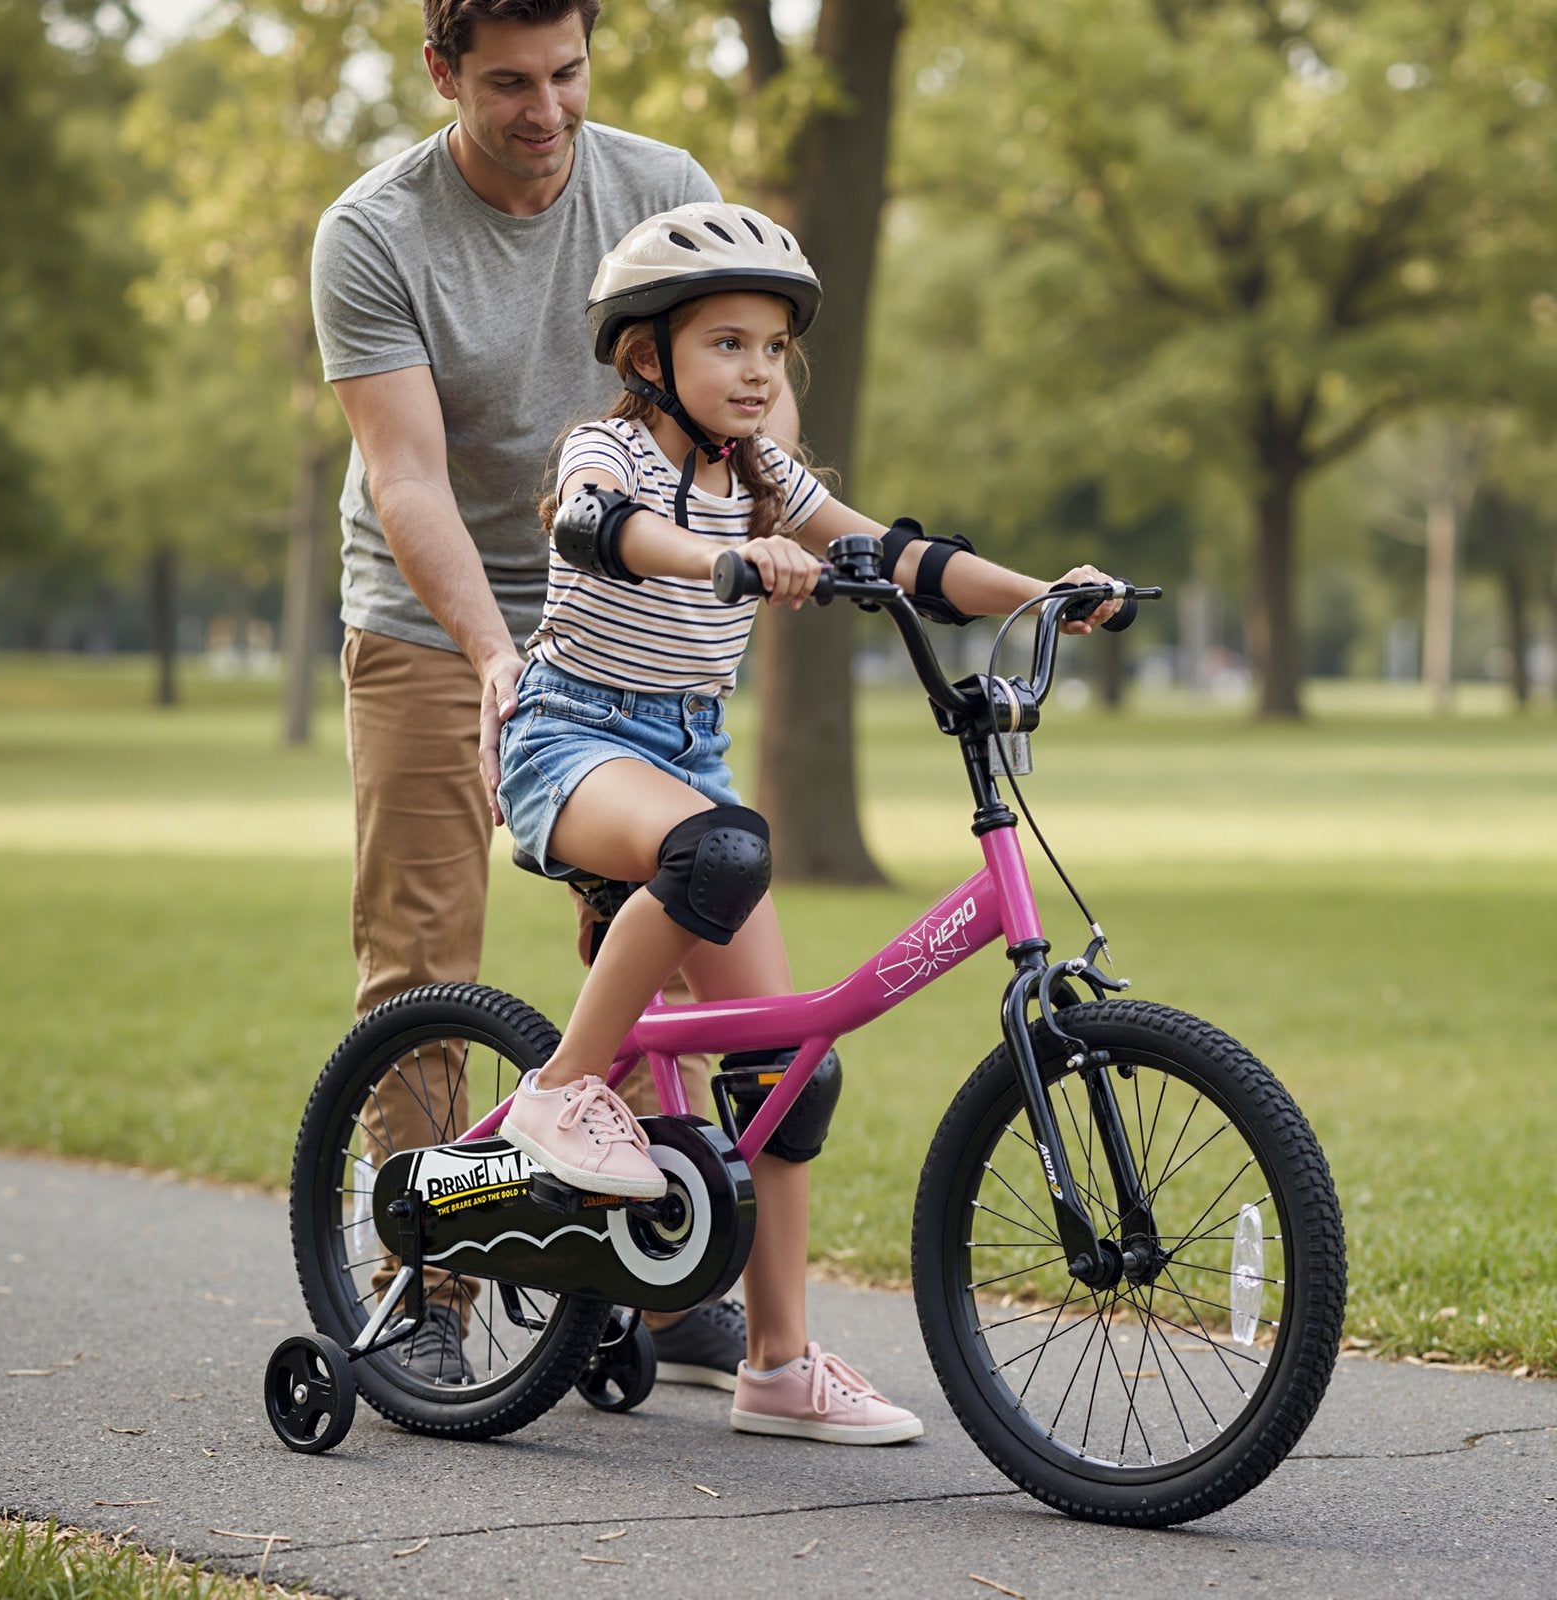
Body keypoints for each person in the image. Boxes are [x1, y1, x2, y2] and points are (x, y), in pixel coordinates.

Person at [495, 201, 1124, 1443]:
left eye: (773, 348)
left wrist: (1044, 591)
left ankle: (778, 1364)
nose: (756, 371)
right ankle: (558, 1093)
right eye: (726, 343)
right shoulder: (606, 450)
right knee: (719, 847)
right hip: (571, 739)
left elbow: (901, 558)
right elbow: (595, 527)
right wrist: (723, 562)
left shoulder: (763, 478)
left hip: (686, 747)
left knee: (787, 1068)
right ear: (647, 355)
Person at [310, 0, 761, 1389]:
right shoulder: (375, 232)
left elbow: (742, 398)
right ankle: (429, 1281)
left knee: (668, 920)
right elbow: (407, 477)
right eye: (509, 82)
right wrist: (494, 652)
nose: (547, 111)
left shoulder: (664, 189)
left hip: (627, 619)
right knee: (424, 952)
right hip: (431, 620)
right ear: (441, 72)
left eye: (568, 73)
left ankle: (662, 1263)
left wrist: (761, 542)